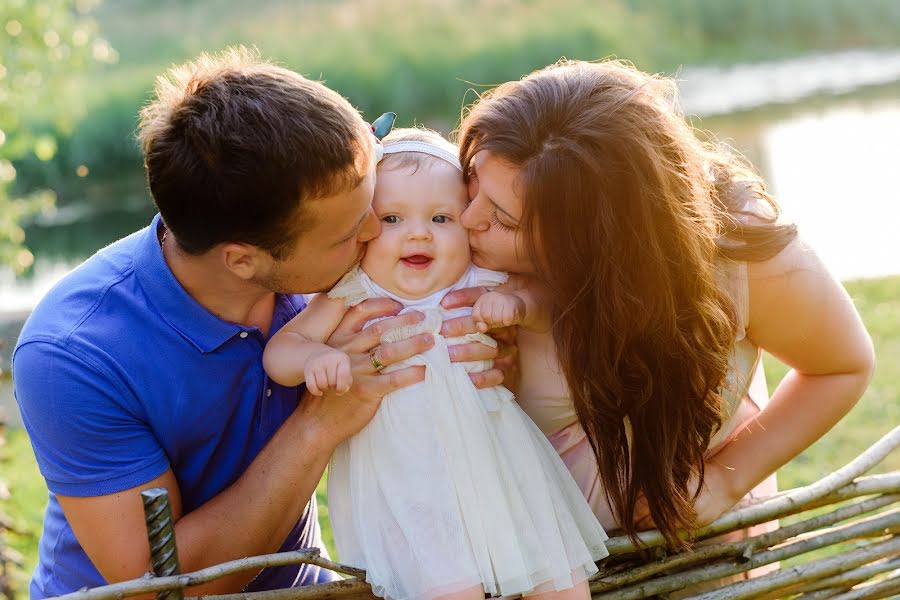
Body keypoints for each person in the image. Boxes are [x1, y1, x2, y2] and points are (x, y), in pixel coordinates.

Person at [12, 48, 503, 598]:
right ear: (244, 260)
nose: (373, 233)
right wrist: (319, 424)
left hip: (305, 586)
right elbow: (161, 586)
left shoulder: (331, 273)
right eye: (348, 232)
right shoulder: (74, 354)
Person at [443, 59, 875, 555]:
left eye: (503, 220)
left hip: (700, 555)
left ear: (597, 240)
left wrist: (725, 482)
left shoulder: (734, 252)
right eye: (474, 177)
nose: (467, 217)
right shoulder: (439, 236)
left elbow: (842, 366)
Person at [264, 128, 608, 600]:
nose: (419, 232)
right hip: (407, 479)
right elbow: (280, 354)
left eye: (441, 217)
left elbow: (551, 297)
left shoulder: (476, 277)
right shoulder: (355, 290)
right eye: (392, 218)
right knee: (448, 587)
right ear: (361, 228)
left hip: (498, 463)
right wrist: (317, 356)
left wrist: (521, 303)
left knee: (555, 576)